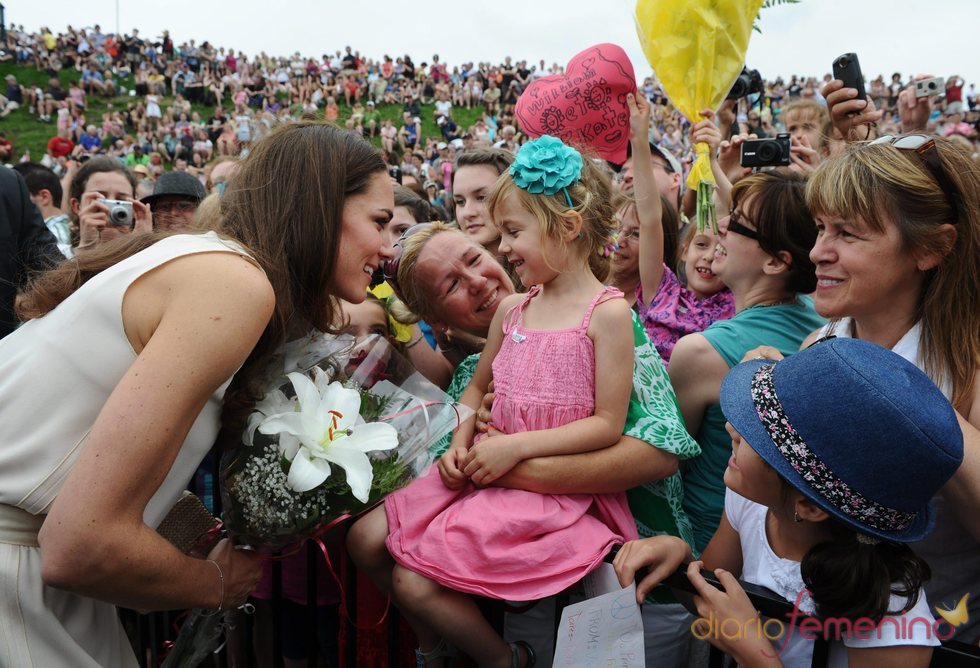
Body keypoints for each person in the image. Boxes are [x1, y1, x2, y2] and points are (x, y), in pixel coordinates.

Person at [0, 122, 396, 667]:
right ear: (322, 206)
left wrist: (198, 531)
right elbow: (81, 544)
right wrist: (215, 581)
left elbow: (87, 461)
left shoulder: (208, 262)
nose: (388, 247)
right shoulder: (235, 283)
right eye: (379, 222)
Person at [349, 137, 696, 667]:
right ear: (435, 319)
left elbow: (653, 450)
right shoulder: (503, 329)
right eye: (451, 285)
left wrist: (510, 458)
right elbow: (466, 404)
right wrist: (466, 441)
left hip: (624, 568)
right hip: (511, 580)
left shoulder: (603, 317)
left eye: (477, 255)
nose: (486, 270)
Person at [614, 338, 963, 667]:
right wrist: (681, 563)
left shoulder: (892, 610)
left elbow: (739, 636)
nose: (731, 429)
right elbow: (714, 601)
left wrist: (755, 655)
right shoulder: (751, 503)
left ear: (809, 507)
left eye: (757, 436)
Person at [800, 132, 980, 643]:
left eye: (848, 234)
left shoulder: (968, 366)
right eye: (819, 228)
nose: (817, 252)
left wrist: (912, 406)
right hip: (816, 628)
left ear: (931, 248)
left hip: (937, 639)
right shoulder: (819, 341)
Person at [668, 170, 825, 552]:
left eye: (736, 222)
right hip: (780, 543)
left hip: (704, 548)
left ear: (775, 262)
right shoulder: (825, 320)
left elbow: (670, 467)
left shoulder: (701, 353)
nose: (720, 225)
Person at [628, 96, 734, 364]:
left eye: (722, 249)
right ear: (684, 250)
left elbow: (753, 223)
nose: (709, 256)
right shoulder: (661, 292)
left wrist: (712, 162)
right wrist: (639, 139)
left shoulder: (739, 306)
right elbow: (650, 219)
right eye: (701, 244)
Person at [67, 157, 153, 250]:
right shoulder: (59, 257)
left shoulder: (148, 253)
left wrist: (142, 247)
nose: (109, 209)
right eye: (100, 199)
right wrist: (86, 248)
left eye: (121, 200)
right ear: (77, 206)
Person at [141, 170, 207, 232]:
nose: (173, 213)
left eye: (183, 206)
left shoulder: (214, 243)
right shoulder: (144, 243)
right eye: (164, 207)